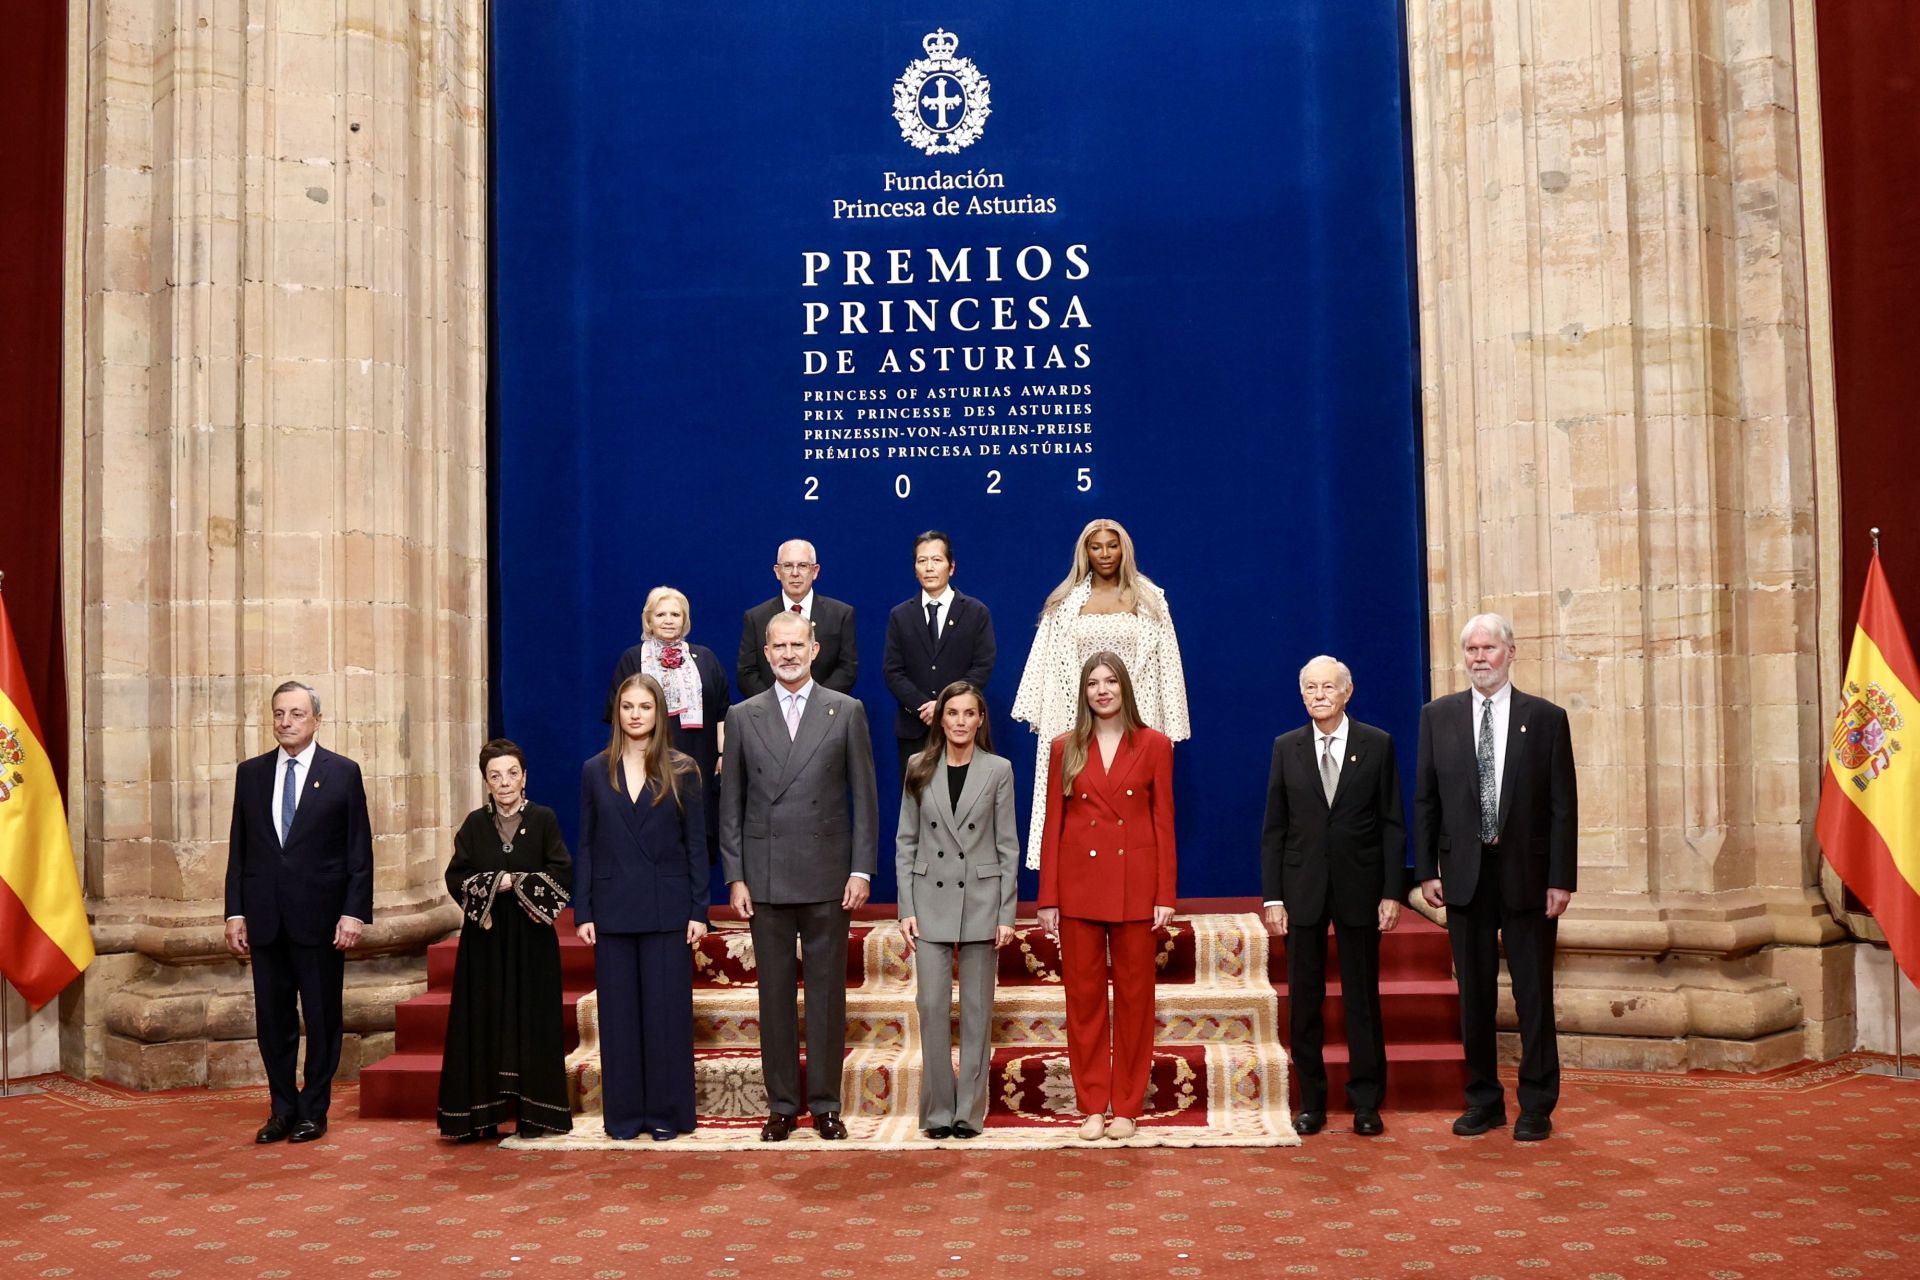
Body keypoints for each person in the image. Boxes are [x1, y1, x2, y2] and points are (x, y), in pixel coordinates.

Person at [1414, 613, 1577, 1143]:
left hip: (1529, 877)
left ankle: (1537, 1104)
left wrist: (1561, 878)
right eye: (1472, 649)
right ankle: (1483, 1101)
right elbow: (1426, 800)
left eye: (1489, 648)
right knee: (1475, 997)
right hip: (1464, 877)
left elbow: (1563, 806)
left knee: (1533, 995)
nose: (1479, 658)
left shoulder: (1546, 718)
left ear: (1511, 652)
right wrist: (1426, 871)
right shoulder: (1437, 716)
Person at [719, 609, 879, 1141]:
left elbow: (865, 798)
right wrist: (735, 875)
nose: (788, 654)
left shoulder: (846, 710)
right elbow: (731, 804)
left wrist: (861, 868)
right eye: (779, 647)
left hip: (829, 875)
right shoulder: (743, 715)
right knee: (775, 998)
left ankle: (827, 1104)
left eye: (797, 645)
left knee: (828, 996)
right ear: (766, 654)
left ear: (814, 650)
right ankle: (782, 1106)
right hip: (764, 876)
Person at [1260, 656, 1405, 1138]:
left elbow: (1392, 824)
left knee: (1362, 999)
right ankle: (1312, 1103)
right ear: (1301, 694)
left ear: (1347, 692)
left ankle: (1366, 1103)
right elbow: (1275, 829)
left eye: (1328, 687)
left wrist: (1392, 892)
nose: (1319, 695)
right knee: (1305, 1002)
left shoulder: (1377, 743)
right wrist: (1273, 897)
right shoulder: (1286, 747)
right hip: (1301, 890)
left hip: (1360, 889)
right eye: (1310, 687)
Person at [223, 680, 373, 1145]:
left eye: (296, 713)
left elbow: (359, 851)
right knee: (273, 1022)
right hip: (266, 920)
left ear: (317, 720)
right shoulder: (251, 774)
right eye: (279, 713)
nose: (285, 722)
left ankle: (314, 1110)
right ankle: (282, 1109)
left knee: (323, 1020)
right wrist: (234, 913)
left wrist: (354, 913)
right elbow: (239, 849)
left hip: (322, 921)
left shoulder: (343, 773)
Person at [1035, 652, 1176, 1141]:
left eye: (1110, 681)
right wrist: (1048, 897)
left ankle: (1127, 1108)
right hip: (1079, 888)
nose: (1102, 690)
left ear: (1124, 687)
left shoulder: (1155, 745)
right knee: (1084, 1001)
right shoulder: (1065, 747)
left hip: (1136, 888)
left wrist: (1165, 893)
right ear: (1084, 692)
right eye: (1093, 683)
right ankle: (1093, 1105)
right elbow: (1053, 825)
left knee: (1136, 1001)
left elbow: (1164, 823)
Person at [576, 673, 710, 1141]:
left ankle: (667, 1114)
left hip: (666, 909)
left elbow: (696, 844)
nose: (636, 715)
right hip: (612, 910)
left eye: (645, 707)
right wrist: (583, 910)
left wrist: (698, 910)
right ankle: (624, 1117)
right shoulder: (595, 769)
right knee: (619, 1019)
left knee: (665, 1017)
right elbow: (587, 844)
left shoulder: (683, 769)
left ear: (659, 713)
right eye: (628, 706)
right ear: (617, 712)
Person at [1012, 517, 1188, 867]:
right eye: (1096, 547)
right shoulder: (1064, 603)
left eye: (1112, 545)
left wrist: (1170, 726)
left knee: (1132, 805)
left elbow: (1168, 663)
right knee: (1079, 804)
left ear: (1124, 549)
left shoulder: (1150, 599)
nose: (1105, 553)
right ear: (1085, 552)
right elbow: (1048, 663)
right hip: (1077, 717)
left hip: (1136, 717)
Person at [895, 681, 1020, 1140]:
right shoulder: (919, 766)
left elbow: (1007, 846)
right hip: (929, 899)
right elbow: (906, 841)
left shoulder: (998, 770)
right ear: (940, 718)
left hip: (981, 901)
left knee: (975, 1009)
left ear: (980, 719)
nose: (961, 721)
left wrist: (1006, 913)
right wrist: (905, 906)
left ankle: (968, 1111)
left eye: (969, 713)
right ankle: (937, 1110)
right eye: (953, 713)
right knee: (931, 1006)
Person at [436, 739, 574, 1142]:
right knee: (483, 1022)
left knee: (533, 1022)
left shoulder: (544, 819)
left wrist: (520, 884)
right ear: (486, 782)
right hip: (485, 942)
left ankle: (534, 1115)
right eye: (495, 776)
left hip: (532, 941)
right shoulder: (474, 825)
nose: (505, 782)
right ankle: (480, 1116)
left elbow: (562, 872)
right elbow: (456, 878)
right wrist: (497, 882)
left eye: (512, 773)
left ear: (524, 777)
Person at [607, 586, 729, 858]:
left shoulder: (706, 658)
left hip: (700, 762)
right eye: (661, 614)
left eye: (675, 614)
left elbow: (723, 710)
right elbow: (618, 715)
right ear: (649, 620)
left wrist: (723, 754)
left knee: (696, 843)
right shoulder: (632, 658)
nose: (668, 620)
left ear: (685, 620)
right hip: (648, 763)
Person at [882, 530, 997, 775]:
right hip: (915, 728)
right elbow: (893, 671)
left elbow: (982, 666)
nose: (929, 568)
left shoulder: (976, 613)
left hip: (962, 726)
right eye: (922, 561)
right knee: (917, 795)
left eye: (936, 560)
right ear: (915, 569)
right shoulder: (900, 615)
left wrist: (945, 706)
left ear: (951, 567)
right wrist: (924, 707)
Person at [737, 538, 859, 696]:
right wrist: (775, 705)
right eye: (788, 566)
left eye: (803, 565)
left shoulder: (840, 615)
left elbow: (847, 669)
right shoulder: (756, 618)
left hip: (824, 708)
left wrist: (815, 703)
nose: (795, 573)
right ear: (777, 571)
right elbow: (747, 672)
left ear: (815, 571)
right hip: (770, 709)